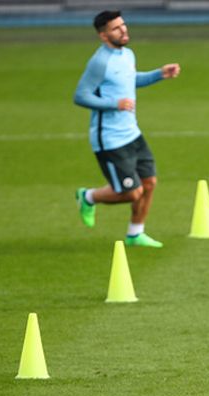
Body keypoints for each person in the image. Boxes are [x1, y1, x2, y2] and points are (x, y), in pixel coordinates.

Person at [73, 10, 181, 247]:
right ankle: (88, 197)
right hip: (110, 140)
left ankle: (135, 233)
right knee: (132, 192)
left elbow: (129, 80)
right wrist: (115, 104)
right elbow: (80, 96)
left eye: (123, 25)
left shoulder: (127, 54)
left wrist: (159, 74)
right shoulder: (100, 62)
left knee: (149, 183)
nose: (123, 30)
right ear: (103, 36)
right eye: (116, 28)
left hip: (132, 133)